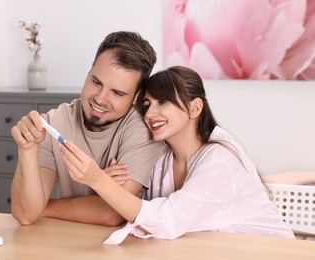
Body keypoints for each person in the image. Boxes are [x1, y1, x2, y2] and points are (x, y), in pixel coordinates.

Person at [59, 66, 295, 244]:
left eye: (163, 102)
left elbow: (167, 220)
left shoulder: (220, 158)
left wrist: (97, 181)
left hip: (269, 251)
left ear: (195, 108)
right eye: (147, 104)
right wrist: (111, 184)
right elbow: (128, 207)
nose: (151, 113)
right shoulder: (161, 156)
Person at [10, 31, 165, 226]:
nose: (100, 99)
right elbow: (26, 214)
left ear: (136, 97)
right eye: (96, 82)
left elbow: (113, 213)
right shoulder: (54, 123)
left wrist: (44, 207)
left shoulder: (142, 128)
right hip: (65, 241)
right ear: (89, 73)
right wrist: (27, 150)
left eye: (117, 93)